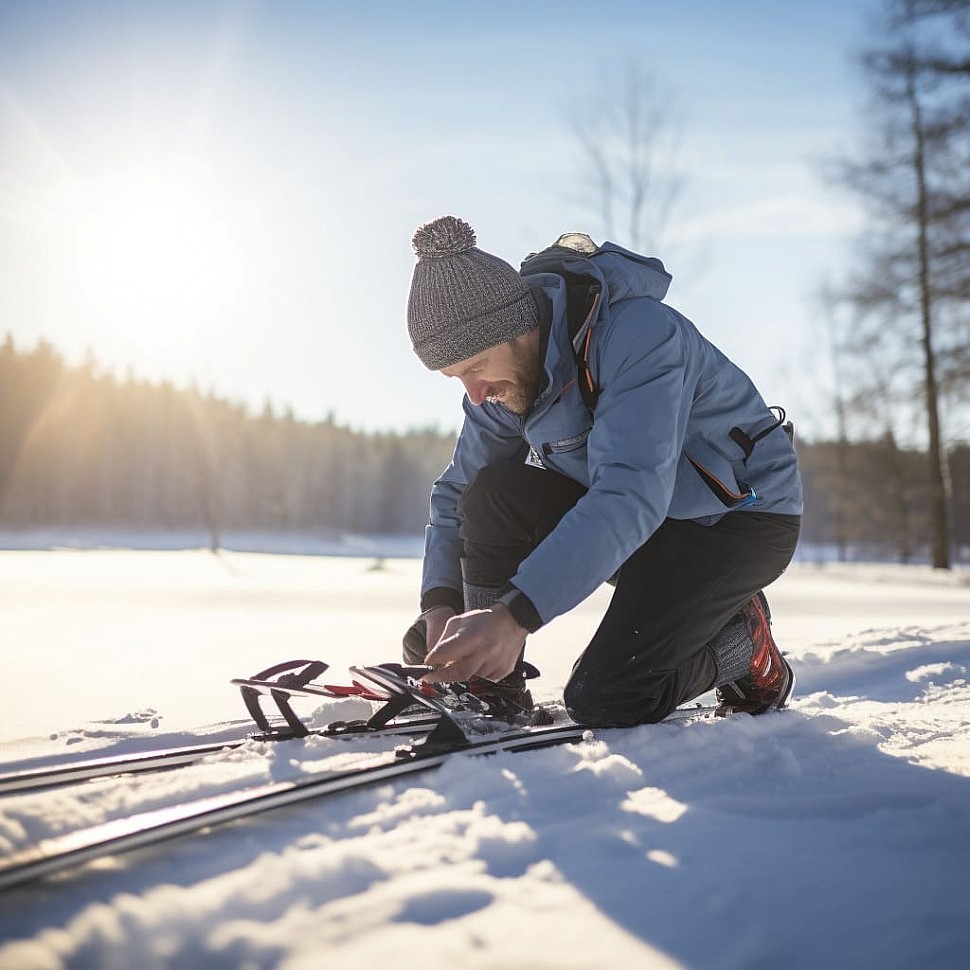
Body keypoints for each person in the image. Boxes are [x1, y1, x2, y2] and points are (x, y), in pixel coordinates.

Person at [402, 215, 802, 726]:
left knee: (608, 697)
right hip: (640, 522)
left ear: (515, 329)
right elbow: (457, 492)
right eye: (455, 378)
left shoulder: (641, 336)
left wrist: (512, 616)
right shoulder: (502, 386)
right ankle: (488, 682)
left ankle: (744, 644)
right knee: (492, 492)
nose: (474, 394)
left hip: (734, 523)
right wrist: (441, 604)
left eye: (475, 368)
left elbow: (631, 492)